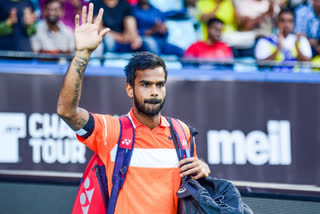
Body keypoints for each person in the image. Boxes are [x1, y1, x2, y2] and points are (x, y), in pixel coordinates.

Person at [56, 3, 210, 214]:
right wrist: (82, 54)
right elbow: (67, 111)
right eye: (145, 84)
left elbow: (191, 187)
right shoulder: (111, 130)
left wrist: (202, 171)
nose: (154, 91)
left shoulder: (182, 132)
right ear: (129, 89)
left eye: (160, 84)